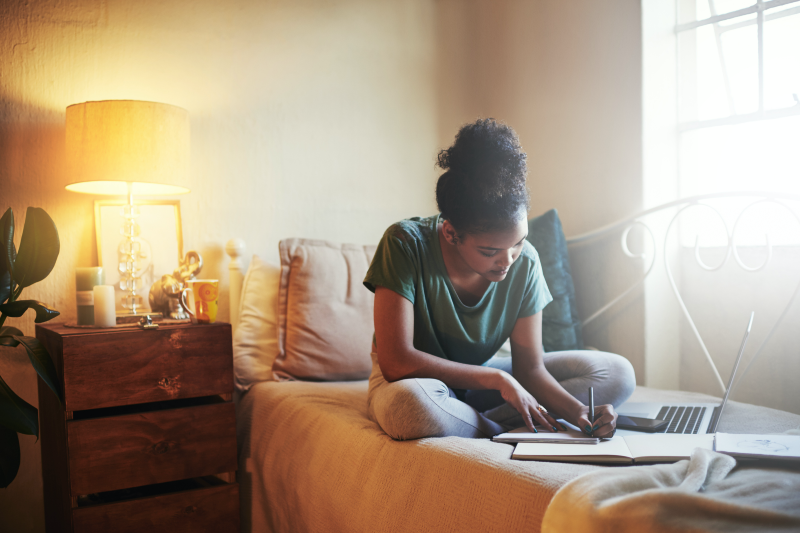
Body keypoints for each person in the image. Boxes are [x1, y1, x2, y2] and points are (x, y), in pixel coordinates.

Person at [363, 118, 635, 441]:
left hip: (481, 387)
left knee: (618, 373)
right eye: (490, 250)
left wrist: (580, 414)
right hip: (414, 384)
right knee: (410, 409)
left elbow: (530, 370)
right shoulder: (404, 245)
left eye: (518, 243)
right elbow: (396, 362)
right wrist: (496, 380)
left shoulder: (527, 262)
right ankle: (498, 427)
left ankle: (471, 421)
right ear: (451, 233)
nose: (507, 260)